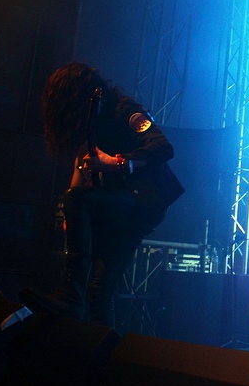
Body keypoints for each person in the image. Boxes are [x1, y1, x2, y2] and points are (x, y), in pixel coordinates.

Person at [19, 61, 184, 326]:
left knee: (77, 203)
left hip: (142, 201)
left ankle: (70, 294)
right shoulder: (88, 122)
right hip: (118, 205)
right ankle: (103, 357)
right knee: (99, 289)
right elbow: (81, 164)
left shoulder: (125, 111)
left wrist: (118, 162)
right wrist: (71, 211)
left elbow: (163, 147)